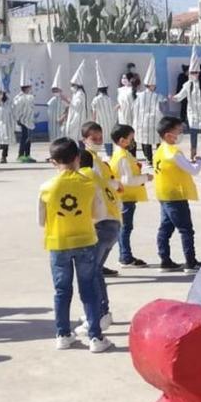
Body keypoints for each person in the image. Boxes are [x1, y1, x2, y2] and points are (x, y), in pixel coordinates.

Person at [38, 138, 111, 353]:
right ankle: (95, 337)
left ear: (53, 161)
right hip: (86, 240)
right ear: (78, 157)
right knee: (89, 289)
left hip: (58, 242)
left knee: (62, 290)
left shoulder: (46, 188)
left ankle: (62, 334)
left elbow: (41, 221)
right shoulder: (89, 184)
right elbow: (99, 214)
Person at [78, 122, 121, 329]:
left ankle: (99, 313)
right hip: (112, 221)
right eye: (93, 138)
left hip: (102, 223)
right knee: (95, 271)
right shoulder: (96, 164)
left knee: (92, 272)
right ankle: (100, 312)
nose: (97, 141)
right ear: (84, 138)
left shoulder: (89, 168)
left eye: (99, 137)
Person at [152, 117, 201, 273]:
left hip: (163, 194)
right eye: (178, 131)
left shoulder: (159, 150)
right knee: (186, 229)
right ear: (168, 135)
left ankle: (165, 260)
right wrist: (199, 161)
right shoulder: (173, 153)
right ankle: (190, 262)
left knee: (165, 229)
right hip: (176, 195)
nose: (180, 133)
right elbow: (193, 170)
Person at [109, 124, 150, 268]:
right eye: (131, 138)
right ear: (122, 140)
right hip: (126, 196)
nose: (133, 141)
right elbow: (128, 180)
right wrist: (145, 177)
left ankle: (125, 255)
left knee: (124, 227)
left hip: (125, 196)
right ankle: (125, 256)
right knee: (125, 228)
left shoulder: (120, 153)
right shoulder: (123, 157)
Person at [171, 59, 201, 162]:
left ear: (199, 73)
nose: (194, 74)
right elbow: (180, 95)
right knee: (193, 133)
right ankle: (193, 154)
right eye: (192, 72)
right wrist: (173, 98)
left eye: (196, 72)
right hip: (193, 113)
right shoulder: (188, 84)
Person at [132, 61, 162, 163]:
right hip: (154, 122)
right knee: (157, 141)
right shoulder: (158, 96)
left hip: (143, 122)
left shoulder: (139, 95)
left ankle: (149, 159)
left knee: (146, 141)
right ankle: (157, 158)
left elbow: (135, 108)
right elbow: (163, 106)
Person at [91, 62, 118, 156]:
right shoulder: (109, 99)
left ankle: (95, 154)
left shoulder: (95, 99)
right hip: (110, 122)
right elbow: (113, 110)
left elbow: (94, 112)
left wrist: (93, 122)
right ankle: (109, 154)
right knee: (108, 139)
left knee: (98, 138)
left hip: (100, 122)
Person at [13, 71, 38, 163]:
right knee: (25, 138)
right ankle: (21, 155)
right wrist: (18, 119)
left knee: (28, 138)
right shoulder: (21, 98)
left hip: (29, 121)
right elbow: (17, 110)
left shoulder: (26, 97)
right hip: (24, 121)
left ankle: (27, 155)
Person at [0, 88, 16, 164]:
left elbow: (12, 112)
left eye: (0, 93)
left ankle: (4, 156)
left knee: (5, 140)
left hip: (6, 124)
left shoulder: (9, 102)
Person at [46, 66, 68, 142]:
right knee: (54, 141)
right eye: (54, 90)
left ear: (60, 90)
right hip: (52, 127)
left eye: (56, 90)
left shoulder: (63, 100)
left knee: (61, 140)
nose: (55, 92)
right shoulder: (51, 101)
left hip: (61, 125)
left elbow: (68, 109)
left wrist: (63, 117)